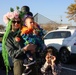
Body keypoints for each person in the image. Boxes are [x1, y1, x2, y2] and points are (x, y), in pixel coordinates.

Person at [2, 7, 37, 75]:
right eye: (14, 21)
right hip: (19, 64)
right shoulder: (8, 37)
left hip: (31, 62)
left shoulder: (24, 32)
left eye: (18, 22)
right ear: (10, 22)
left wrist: (34, 47)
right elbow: (12, 54)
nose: (16, 23)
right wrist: (25, 49)